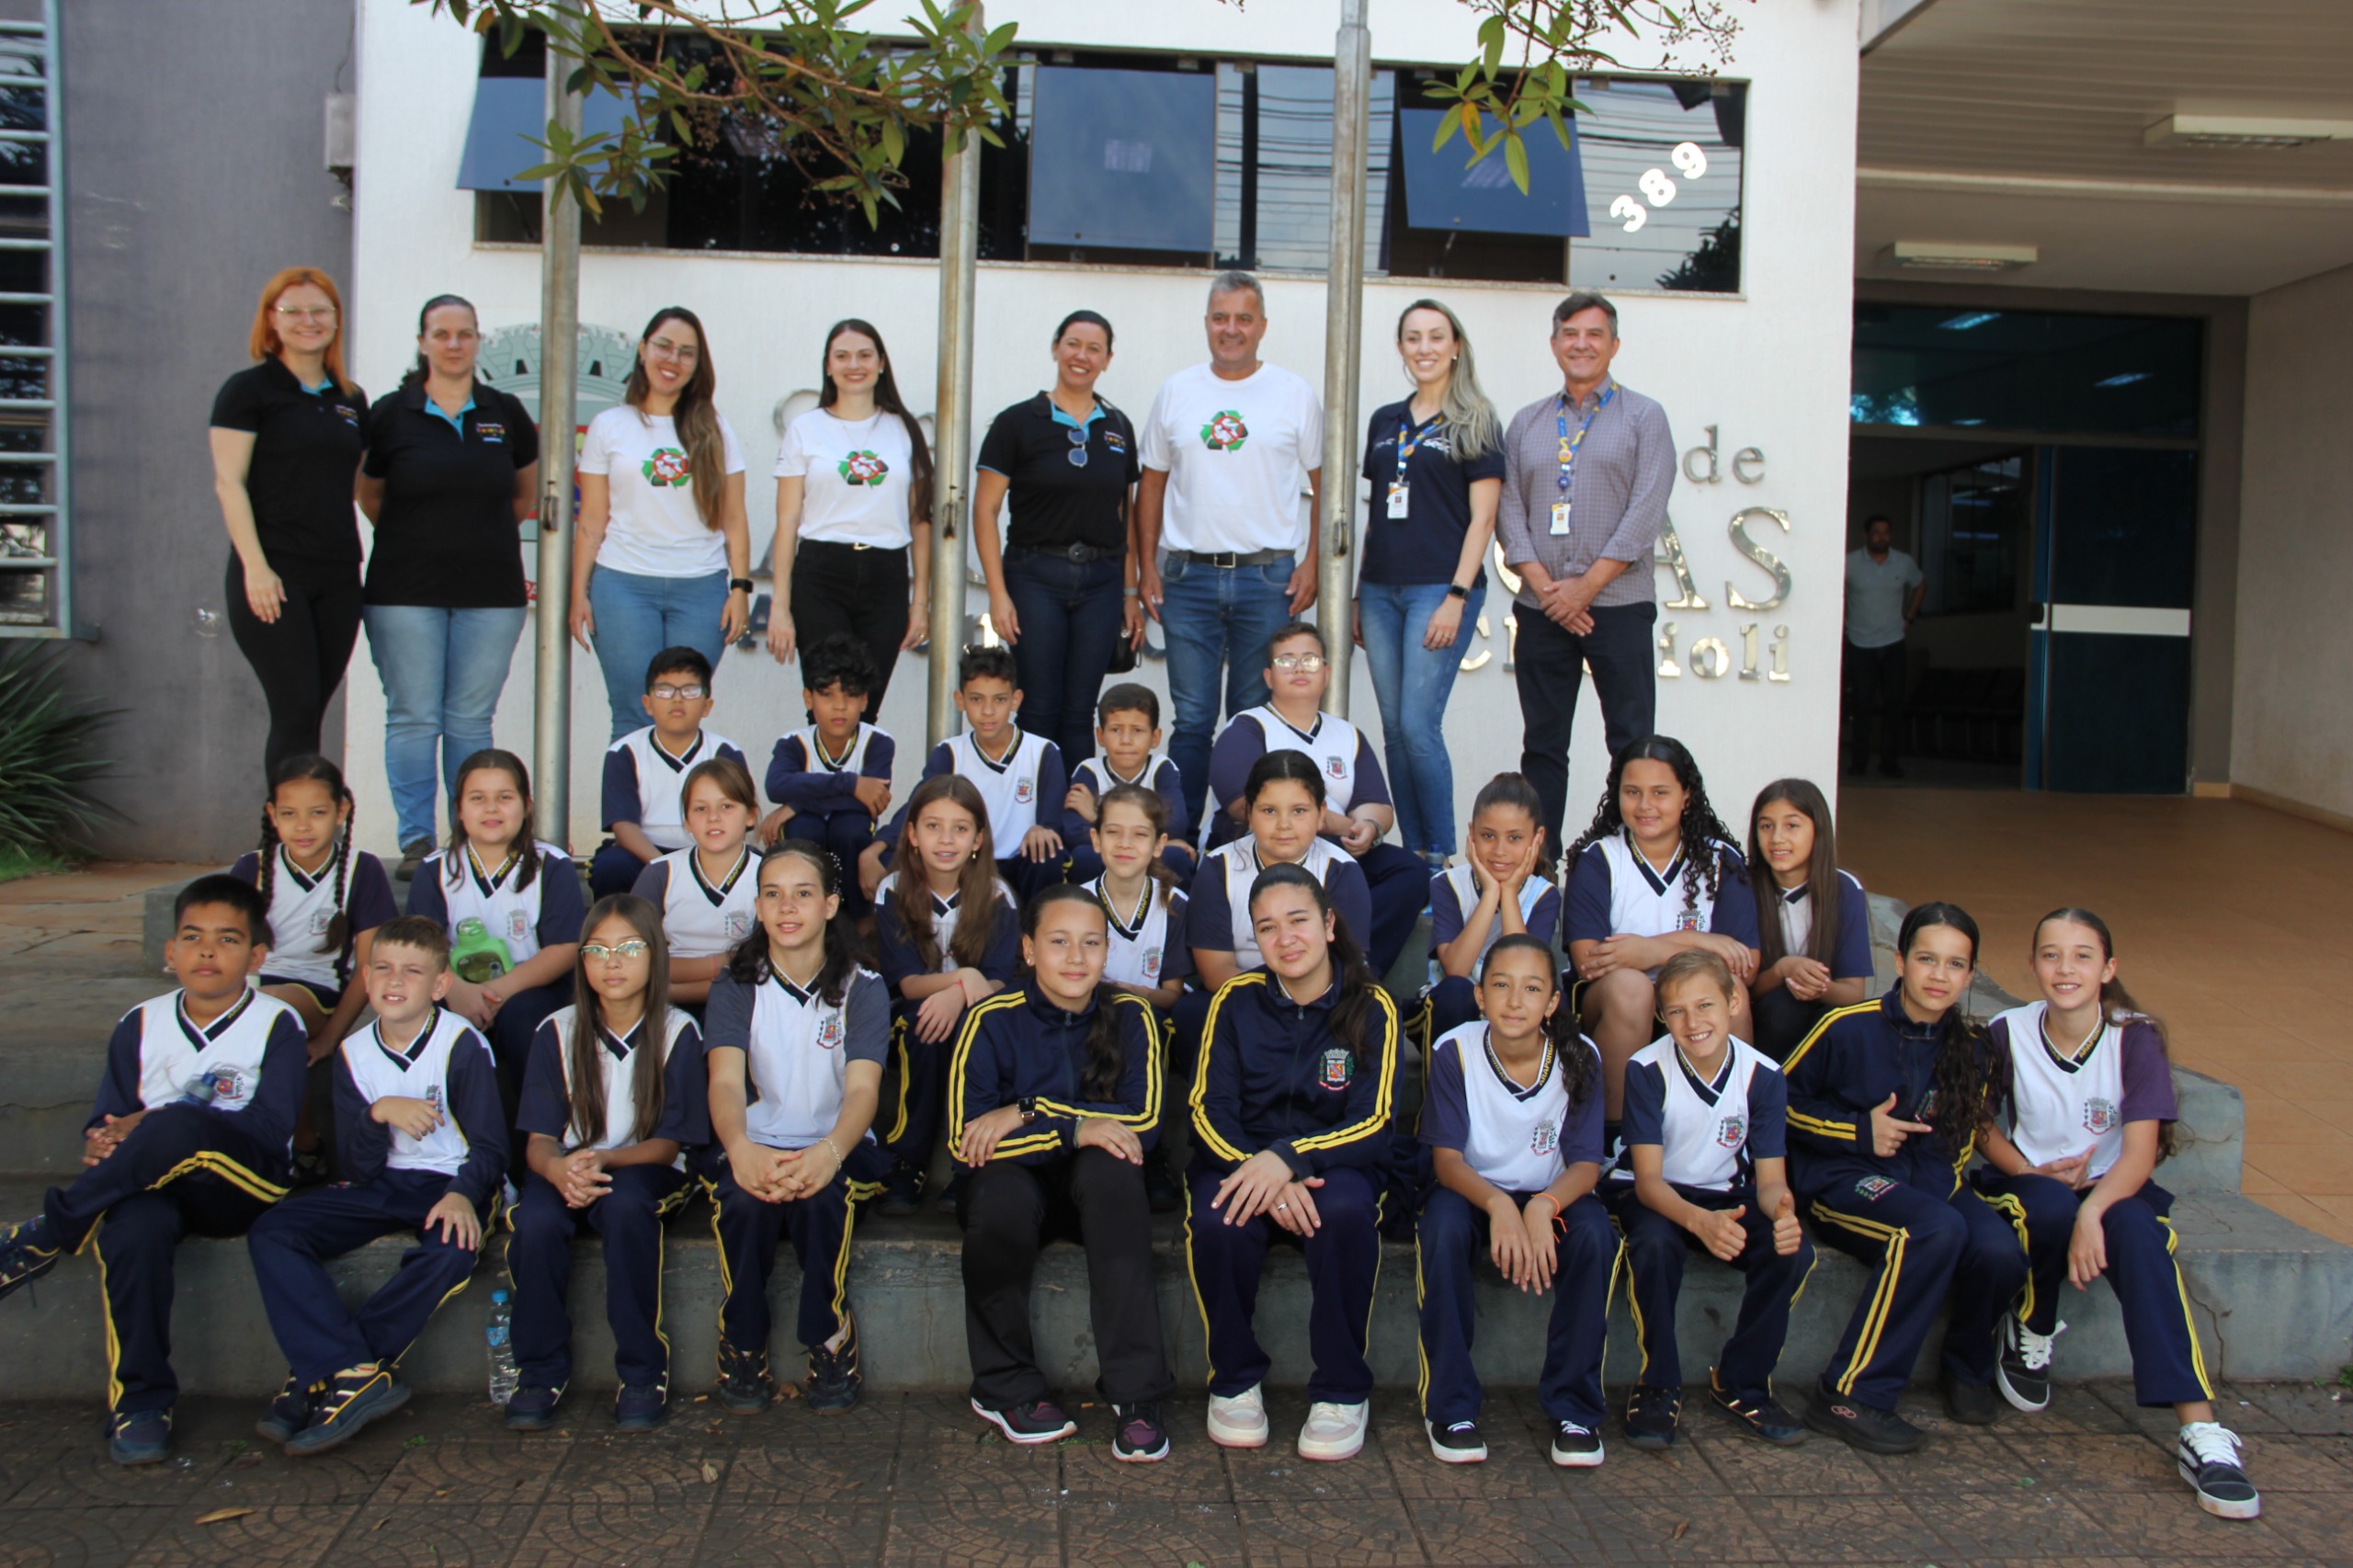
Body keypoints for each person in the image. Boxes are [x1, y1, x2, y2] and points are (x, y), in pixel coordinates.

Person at [0, 876, 305, 1465]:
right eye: (192, 937)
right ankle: (141, 1402)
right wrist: (105, 1141)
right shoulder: (138, 1023)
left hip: (242, 1184)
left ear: (257, 956)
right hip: (155, 1187)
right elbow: (107, 1123)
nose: (207, 952)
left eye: (227, 939)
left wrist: (159, 1123)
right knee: (131, 1228)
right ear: (170, 952)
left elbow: (269, 1132)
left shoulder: (276, 1023)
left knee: (175, 1122)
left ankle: (46, 1233)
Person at [1973, 908, 2258, 1520]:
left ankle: (2201, 1431)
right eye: (2050, 954)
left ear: (2108, 968)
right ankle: (2033, 1325)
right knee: (2048, 1205)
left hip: (2114, 1188)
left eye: (2081, 955)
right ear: (2032, 965)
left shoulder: (2136, 1036)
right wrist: (2027, 1169)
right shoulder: (2007, 1029)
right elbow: (1977, 1124)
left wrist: (2094, 1212)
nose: (2065, 968)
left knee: (2142, 1236)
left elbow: (2141, 1152)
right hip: (2031, 1183)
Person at [244, 916, 505, 1454]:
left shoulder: (461, 1043)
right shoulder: (353, 1053)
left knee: (452, 1251)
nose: (394, 981)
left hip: (451, 1181)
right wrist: (378, 1114)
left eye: (412, 971)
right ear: (365, 977)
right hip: (384, 1182)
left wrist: (462, 1193)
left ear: (438, 985)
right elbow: (358, 1169)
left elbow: (491, 1149)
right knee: (275, 1229)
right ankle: (349, 1370)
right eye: (382, 968)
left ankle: (323, 1373)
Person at [1781, 902, 2019, 1453]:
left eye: (1955, 965)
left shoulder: (1975, 1048)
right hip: (1844, 1181)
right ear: (1900, 961)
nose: (1939, 975)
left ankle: (1965, 1367)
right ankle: (1850, 1395)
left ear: (1970, 974)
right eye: (1927, 959)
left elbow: (1960, 1141)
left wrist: (1937, 1188)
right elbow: (1778, 1104)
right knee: (1933, 1229)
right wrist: (1859, 1133)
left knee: (1999, 1250)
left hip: (1929, 1186)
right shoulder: (1847, 1027)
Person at [948, 887, 1173, 1458]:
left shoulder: (1131, 1014)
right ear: (1028, 950)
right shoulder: (991, 1020)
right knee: (998, 1196)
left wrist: (1028, 1112)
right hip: (1013, 1187)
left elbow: (1141, 1122)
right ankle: (1005, 1387)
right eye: (1058, 941)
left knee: (1116, 1170)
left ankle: (1136, 1395)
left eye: (1091, 943)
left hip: (1090, 1193)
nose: (1076, 957)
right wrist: (1074, 1127)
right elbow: (965, 1141)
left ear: (1106, 951)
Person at [1187, 865, 1398, 1461]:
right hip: (1243, 1160)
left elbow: (1376, 1121)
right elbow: (1207, 1110)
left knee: (1349, 1212)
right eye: (1267, 928)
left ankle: (1340, 1390)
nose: (1286, 939)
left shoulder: (1371, 1006)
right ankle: (1234, 1380)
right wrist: (1263, 1171)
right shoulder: (1234, 1000)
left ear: (1329, 924)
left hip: (1333, 1161)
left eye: (1299, 920)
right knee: (1216, 1218)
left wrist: (1291, 1158)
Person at [506, 896, 710, 1433]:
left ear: (655, 955)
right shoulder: (556, 1029)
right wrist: (559, 1171)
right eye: (596, 950)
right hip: (570, 1166)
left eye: (627, 948)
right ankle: (539, 1371)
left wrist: (600, 1160)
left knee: (624, 1210)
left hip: (642, 1166)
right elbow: (538, 1143)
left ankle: (642, 1369)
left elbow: (668, 1145)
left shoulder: (677, 1031)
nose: (612, 962)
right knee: (536, 1221)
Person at [356, 294, 541, 875]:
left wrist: (471, 539)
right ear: (423, 341)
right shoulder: (391, 413)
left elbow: (524, 496)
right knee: (413, 715)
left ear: (477, 340)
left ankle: (466, 841)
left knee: (468, 720)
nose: (454, 343)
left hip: (491, 593)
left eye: (464, 333)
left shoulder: (504, 412)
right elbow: (368, 494)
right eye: (442, 333)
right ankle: (417, 840)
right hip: (403, 590)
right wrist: (421, 538)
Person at [700, 843, 888, 1416]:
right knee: (745, 1202)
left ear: (831, 905)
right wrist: (740, 1149)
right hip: (757, 1141)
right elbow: (727, 1084)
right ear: (757, 906)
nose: (788, 907)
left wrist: (828, 1153)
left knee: (822, 1201)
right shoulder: (737, 983)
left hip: (839, 1145)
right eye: (773, 894)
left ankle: (827, 1336)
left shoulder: (864, 986)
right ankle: (744, 1338)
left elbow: (862, 1091)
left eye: (803, 893)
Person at [1135, 272, 1324, 824]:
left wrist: (1312, 560)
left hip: (1267, 579)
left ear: (1262, 326)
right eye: (1221, 317)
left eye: (1244, 318)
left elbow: (1324, 481)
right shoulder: (1177, 391)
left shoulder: (1293, 393)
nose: (1231, 329)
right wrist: (1147, 565)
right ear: (1207, 324)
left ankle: (1241, 840)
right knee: (1192, 720)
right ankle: (1180, 839)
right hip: (1188, 577)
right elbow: (1152, 482)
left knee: (1251, 720)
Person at [1416, 935, 1611, 1467]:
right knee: (1443, 1228)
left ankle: (1576, 1409)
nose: (1514, 1000)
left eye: (1532, 989)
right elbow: (1447, 1163)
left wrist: (1542, 1206)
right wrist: (1502, 1206)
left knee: (1595, 1233)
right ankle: (1451, 1406)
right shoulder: (1454, 1050)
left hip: (1552, 1194)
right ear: (1479, 996)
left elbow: (1586, 1166)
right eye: (1500, 986)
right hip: (1473, 1190)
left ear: (1552, 1002)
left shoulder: (1580, 1055)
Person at [1608, 950, 1813, 1451]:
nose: (1692, 1022)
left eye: (1705, 1006)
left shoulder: (1763, 1075)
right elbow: (1649, 1182)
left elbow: (1768, 1181)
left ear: (1734, 1000)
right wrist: (1700, 1222)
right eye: (1676, 1011)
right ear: (1661, 1016)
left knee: (1791, 1249)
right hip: (1653, 1194)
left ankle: (1742, 1381)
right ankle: (1658, 1383)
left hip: (1724, 1194)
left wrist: (1782, 1212)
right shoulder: (1647, 1068)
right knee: (1655, 1247)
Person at [1495, 292, 1676, 851]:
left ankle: (1629, 864)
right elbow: (1509, 513)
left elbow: (1647, 510)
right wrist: (1551, 592)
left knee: (1632, 744)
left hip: (1619, 606)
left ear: (1613, 345)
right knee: (1543, 746)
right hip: (1541, 609)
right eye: (1570, 333)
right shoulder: (1526, 423)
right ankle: (1540, 870)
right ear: (1554, 345)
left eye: (1594, 334)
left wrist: (1587, 588)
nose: (1581, 344)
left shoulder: (1645, 417)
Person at [1353, 299, 1506, 869]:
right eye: (1413, 338)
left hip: (1438, 591)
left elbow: (1483, 520)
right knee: (1393, 729)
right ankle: (1414, 850)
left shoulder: (1477, 419)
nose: (1424, 348)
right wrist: (1357, 591)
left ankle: (1442, 855)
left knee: (1420, 724)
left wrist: (1457, 597)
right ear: (1400, 349)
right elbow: (1378, 512)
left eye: (1436, 337)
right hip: (1380, 590)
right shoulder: (1385, 420)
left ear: (1456, 346)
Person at [209, 267, 370, 780]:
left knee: (311, 714)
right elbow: (228, 484)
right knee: (295, 710)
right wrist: (256, 568)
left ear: (336, 321)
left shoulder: (351, 399)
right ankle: (284, 845)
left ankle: (308, 841)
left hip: (339, 575)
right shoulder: (249, 391)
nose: (308, 320)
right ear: (271, 322)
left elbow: (352, 485)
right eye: (293, 311)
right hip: (274, 576)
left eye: (320, 310)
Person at [1204, 620, 1427, 975]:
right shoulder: (1248, 727)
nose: (1298, 668)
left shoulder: (1347, 734)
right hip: (1270, 845)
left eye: (1309, 660)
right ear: (1268, 677)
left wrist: (1368, 827)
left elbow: (1377, 804)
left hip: (1335, 850)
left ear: (1326, 673)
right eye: (1286, 661)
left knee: (1410, 872)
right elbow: (1243, 806)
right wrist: (1335, 823)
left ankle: (1354, 972)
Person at [572, 306, 753, 743]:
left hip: (700, 588)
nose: (672, 360)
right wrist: (578, 592)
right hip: (622, 586)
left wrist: (740, 588)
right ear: (642, 350)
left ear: (697, 364)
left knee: (684, 717)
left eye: (686, 353)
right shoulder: (609, 426)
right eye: (664, 347)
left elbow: (733, 518)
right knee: (634, 712)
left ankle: (681, 814)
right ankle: (627, 814)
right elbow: (592, 519)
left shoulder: (715, 429)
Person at [974, 310, 1146, 767]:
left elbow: (1124, 516)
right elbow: (985, 509)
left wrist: (1131, 592)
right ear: (1055, 348)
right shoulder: (1017, 422)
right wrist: (997, 593)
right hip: (1035, 577)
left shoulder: (1118, 427)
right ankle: (1033, 819)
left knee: (1079, 711)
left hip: (1101, 580)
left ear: (1107, 360)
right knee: (1038, 707)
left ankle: (1073, 822)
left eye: (1094, 348)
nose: (1081, 356)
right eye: (1073, 344)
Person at [1563, 736, 1759, 1131]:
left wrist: (1650, 950)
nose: (1645, 805)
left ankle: (1732, 1128)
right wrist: (1704, 943)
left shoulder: (1720, 859)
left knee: (1731, 988)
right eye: (1632, 792)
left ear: (1686, 795)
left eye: (1660, 792)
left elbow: (1746, 964)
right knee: (1632, 989)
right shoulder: (1601, 858)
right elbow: (1589, 960)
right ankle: (1614, 1139)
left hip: (1693, 996)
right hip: (1616, 1000)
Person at [233, 754, 400, 1181]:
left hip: (315, 993)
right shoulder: (250, 868)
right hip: (249, 989)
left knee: (267, 1010)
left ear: (342, 810)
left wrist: (329, 1038)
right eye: (289, 814)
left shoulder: (362, 871)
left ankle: (292, 1143)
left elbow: (369, 966)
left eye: (318, 813)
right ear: (272, 815)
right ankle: (293, 1141)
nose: (303, 826)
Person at [767, 318, 934, 720]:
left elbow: (920, 520)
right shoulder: (805, 429)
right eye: (842, 356)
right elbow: (788, 519)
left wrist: (920, 601)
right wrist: (779, 604)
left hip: (886, 575)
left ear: (880, 364)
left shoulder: (903, 429)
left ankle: (863, 784)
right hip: (821, 575)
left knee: (866, 707)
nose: (853, 364)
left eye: (864, 355)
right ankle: (825, 785)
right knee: (828, 707)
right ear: (828, 366)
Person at [870, 776, 1021, 1216]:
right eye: (933, 826)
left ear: (978, 838)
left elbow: (996, 984)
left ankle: (969, 1163)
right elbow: (908, 983)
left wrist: (963, 993)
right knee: (925, 1027)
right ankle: (909, 1158)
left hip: (981, 1009)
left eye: (960, 828)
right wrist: (962, 981)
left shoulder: (998, 894)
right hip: (917, 1010)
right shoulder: (892, 889)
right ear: (912, 834)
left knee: (974, 1034)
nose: (946, 839)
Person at [406, 749, 585, 1111]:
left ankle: (541, 1141)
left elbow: (565, 946)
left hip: (531, 988)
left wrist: (493, 992)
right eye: (478, 799)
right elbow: (420, 948)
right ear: (459, 808)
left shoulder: (552, 866)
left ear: (526, 805)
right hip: (451, 989)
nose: (491, 809)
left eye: (504, 798)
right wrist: (456, 990)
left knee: (527, 1021)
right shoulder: (434, 870)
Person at [864, 644, 1068, 904]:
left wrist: (1043, 829)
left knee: (1047, 853)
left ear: (1016, 700)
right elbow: (916, 808)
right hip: (968, 862)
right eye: (976, 699)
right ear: (960, 700)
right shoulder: (950, 753)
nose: (988, 711)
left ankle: (1034, 932)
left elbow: (1053, 823)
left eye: (999, 699)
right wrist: (875, 849)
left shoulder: (1043, 752)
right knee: (901, 857)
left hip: (1021, 863)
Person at [1185, 752, 1374, 996]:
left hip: (1322, 999)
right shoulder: (1218, 868)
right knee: (1191, 1013)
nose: (1284, 824)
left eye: (1299, 811)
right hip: (1242, 997)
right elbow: (1215, 972)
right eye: (1269, 811)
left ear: (1321, 813)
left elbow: (1347, 965)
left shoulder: (1341, 870)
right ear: (1249, 814)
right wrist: (1276, 1004)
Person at [1086, 783, 1193, 1213]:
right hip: (1087, 1016)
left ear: (1159, 844)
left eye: (1139, 834)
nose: (1125, 844)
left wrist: (1131, 994)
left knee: (1143, 1025)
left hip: (1149, 1020)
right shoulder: (1076, 901)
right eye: (1113, 832)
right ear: (1095, 839)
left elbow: (1172, 994)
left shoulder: (1176, 904)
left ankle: (1150, 1154)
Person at [589, 647, 750, 900]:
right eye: (664, 690)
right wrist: (665, 868)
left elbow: (737, 820)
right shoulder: (624, 752)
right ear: (648, 704)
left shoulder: (725, 752)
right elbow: (623, 826)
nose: (677, 699)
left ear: (707, 705)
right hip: (644, 853)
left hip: (708, 850)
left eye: (689, 690)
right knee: (612, 867)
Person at [762, 634, 894, 915]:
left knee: (849, 828)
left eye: (850, 695)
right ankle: (806, 916)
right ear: (809, 699)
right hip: (806, 831)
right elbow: (776, 786)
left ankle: (858, 923)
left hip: (851, 839)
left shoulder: (879, 743)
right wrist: (851, 783)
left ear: (864, 701)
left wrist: (796, 804)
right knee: (805, 829)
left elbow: (869, 801)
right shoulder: (794, 743)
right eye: (827, 694)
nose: (839, 705)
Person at [1744, 778, 1873, 1062]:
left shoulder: (1844, 889)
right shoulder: (1743, 885)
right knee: (1783, 1008)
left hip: (1824, 1012)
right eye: (1766, 826)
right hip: (1763, 1018)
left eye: (1792, 825)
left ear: (1818, 830)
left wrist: (1821, 988)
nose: (1777, 838)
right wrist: (1782, 971)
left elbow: (1854, 994)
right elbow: (1739, 988)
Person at [1424, 772, 1558, 1045]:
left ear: (1537, 838)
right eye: (1488, 835)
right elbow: (1456, 970)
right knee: (1457, 992)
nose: (1499, 850)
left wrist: (1508, 892)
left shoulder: (1544, 895)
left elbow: (1524, 970)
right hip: (1452, 1008)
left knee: (1552, 1002)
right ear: (1471, 834)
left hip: (1514, 1011)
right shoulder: (1447, 884)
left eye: (1514, 838)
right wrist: (1490, 895)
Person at [631, 757, 765, 1009]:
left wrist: (671, 984)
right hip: (667, 1005)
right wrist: (721, 962)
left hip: (744, 1003)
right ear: (687, 823)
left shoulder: (769, 873)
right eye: (700, 809)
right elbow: (637, 960)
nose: (713, 817)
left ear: (751, 816)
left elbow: (761, 968)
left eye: (726, 806)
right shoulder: (660, 874)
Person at [1062, 682, 1191, 885]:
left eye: (1137, 730)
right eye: (1116, 730)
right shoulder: (1089, 771)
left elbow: (1177, 824)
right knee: (1083, 856)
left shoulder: (1161, 768)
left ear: (1155, 737)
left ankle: (1172, 914)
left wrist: (1096, 816)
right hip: (1112, 856)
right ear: (1100, 736)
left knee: (1176, 856)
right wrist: (1149, 838)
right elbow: (1073, 832)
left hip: (1139, 854)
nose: (1126, 740)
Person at [1842, 514, 1924, 779]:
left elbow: (1920, 584)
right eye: (1876, 532)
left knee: (1894, 704)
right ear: (1866, 536)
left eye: (1886, 532)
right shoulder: (1851, 562)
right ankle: (1859, 762)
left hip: (1893, 642)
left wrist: (1909, 617)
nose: (1882, 537)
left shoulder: (1903, 562)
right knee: (1861, 705)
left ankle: (1889, 762)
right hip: (1859, 641)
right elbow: (1834, 588)